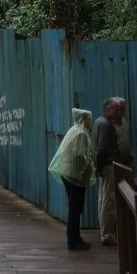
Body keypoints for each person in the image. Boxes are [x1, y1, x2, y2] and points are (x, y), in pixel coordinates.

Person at [49, 107, 95, 251]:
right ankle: (73, 240)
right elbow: (80, 156)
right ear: (84, 120)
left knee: (74, 207)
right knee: (75, 208)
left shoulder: (73, 130)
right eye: (88, 119)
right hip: (75, 175)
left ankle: (75, 237)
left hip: (69, 174)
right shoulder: (81, 133)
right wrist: (90, 168)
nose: (90, 122)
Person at [93, 96, 133, 246]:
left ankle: (106, 231)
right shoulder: (106, 125)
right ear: (108, 109)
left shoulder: (99, 122)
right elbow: (101, 148)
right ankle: (108, 234)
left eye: (120, 108)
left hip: (106, 165)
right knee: (109, 200)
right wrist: (98, 166)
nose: (119, 112)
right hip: (109, 165)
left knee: (103, 199)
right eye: (116, 109)